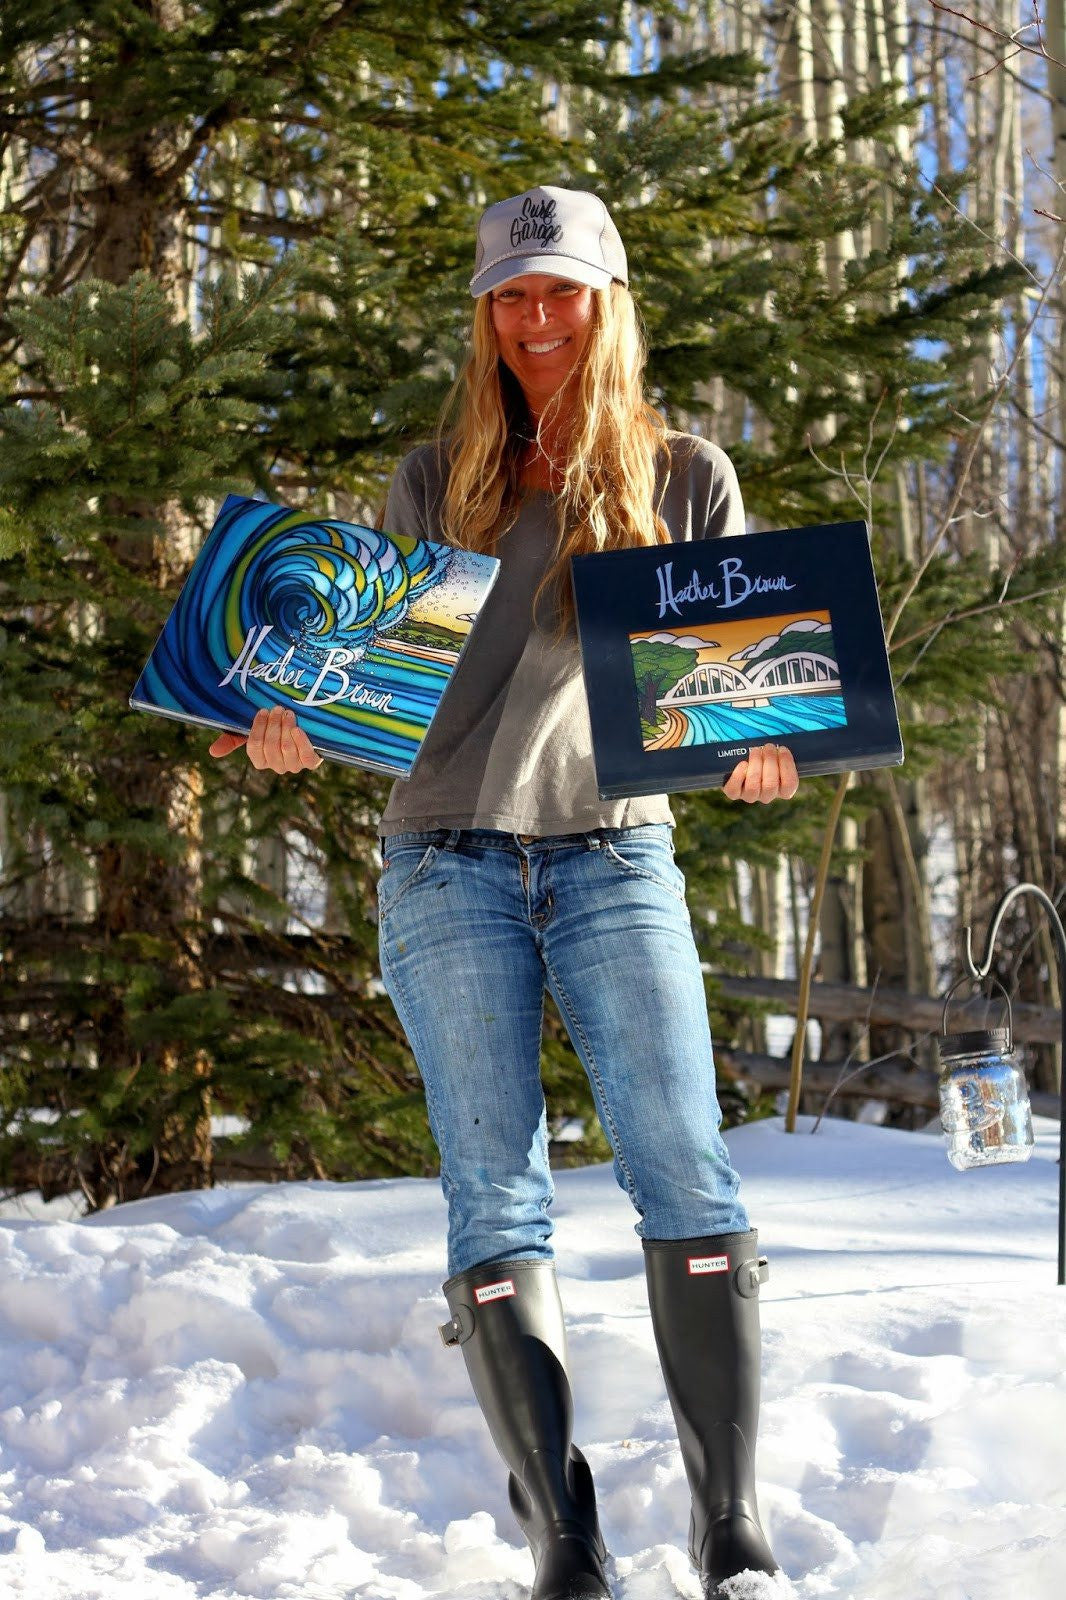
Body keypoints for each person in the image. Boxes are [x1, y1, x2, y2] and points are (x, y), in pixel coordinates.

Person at [211, 185, 799, 1600]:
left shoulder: (685, 478)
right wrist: (296, 725)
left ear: (607, 304)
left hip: (614, 853)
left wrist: (760, 748)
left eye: (560, 291)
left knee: (683, 1159)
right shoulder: (435, 482)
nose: (536, 319)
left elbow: (721, 689)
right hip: (445, 860)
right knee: (493, 1191)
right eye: (510, 296)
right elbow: (388, 691)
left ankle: (729, 1528)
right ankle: (562, 1541)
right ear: (485, 317)